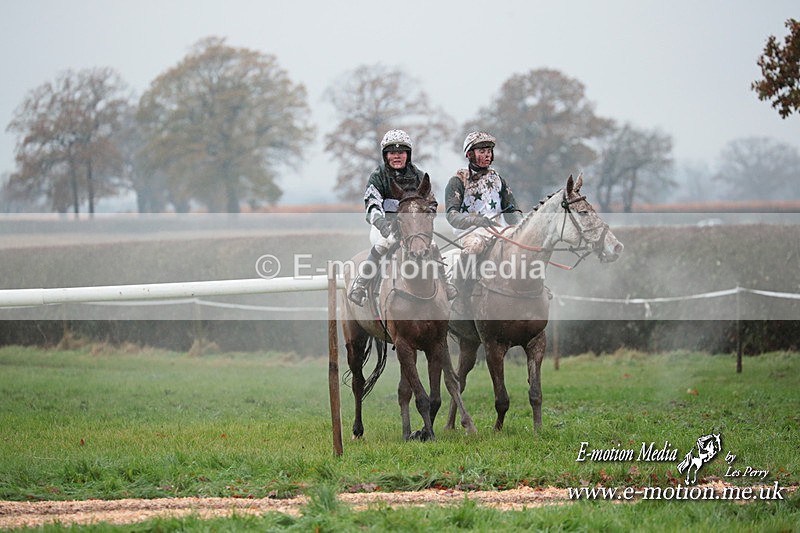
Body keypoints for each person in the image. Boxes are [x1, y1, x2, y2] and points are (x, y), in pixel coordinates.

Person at [348, 129, 457, 306]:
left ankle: (446, 284)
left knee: (433, 246)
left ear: (408, 154)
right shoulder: (378, 177)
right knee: (383, 244)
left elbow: (431, 203)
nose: (396, 156)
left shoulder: (419, 176)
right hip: (385, 226)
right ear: (386, 155)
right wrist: (383, 226)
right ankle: (361, 284)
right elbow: (372, 206)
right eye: (392, 153)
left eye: (401, 152)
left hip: (413, 228)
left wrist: (424, 220)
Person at [444, 131, 523, 286]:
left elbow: (512, 211)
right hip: (470, 234)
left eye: (489, 151)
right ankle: (457, 289)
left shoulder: (498, 179)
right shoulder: (458, 180)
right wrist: (475, 220)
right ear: (469, 154)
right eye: (482, 151)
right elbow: (452, 216)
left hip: (498, 232)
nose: (487, 155)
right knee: (475, 246)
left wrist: (522, 224)